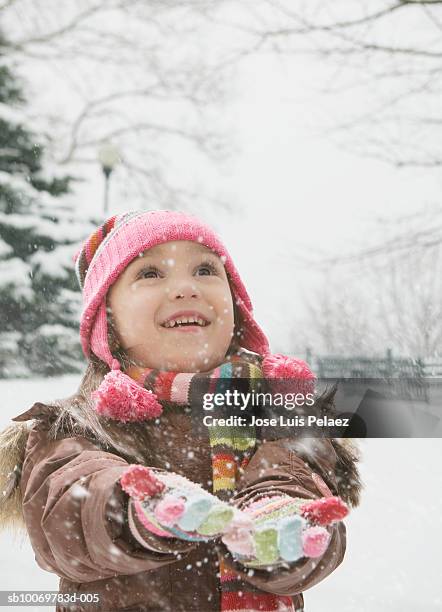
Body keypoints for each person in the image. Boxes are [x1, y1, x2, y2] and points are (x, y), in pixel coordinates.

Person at [0, 210, 361, 612]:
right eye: (151, 274)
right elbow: (64, 514)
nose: (186, 288)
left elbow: (296, 477)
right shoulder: (76, 424)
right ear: (108, 319)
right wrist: (134, 507)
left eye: (206, 269)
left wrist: (280, 521)